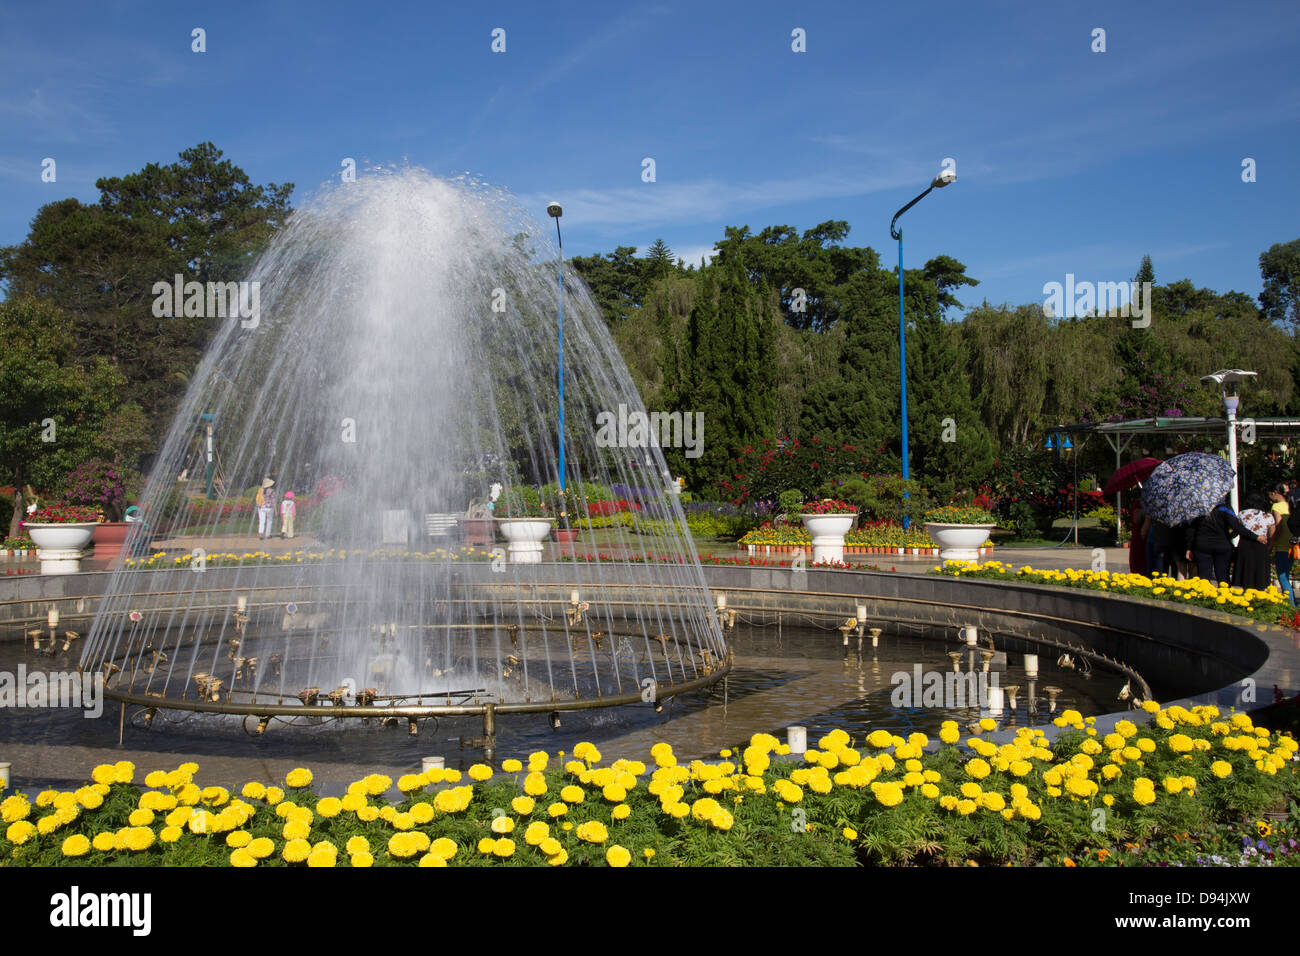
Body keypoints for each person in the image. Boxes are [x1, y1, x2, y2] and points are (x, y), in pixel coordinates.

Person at [1186, 495, 1266, 586]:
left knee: (1204, 577)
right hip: (1222, 545)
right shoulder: (1225, 508)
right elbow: (1237, 527)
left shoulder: (1197, 509)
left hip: (1202, 545)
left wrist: (1189, 548)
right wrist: (1256, 537)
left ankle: (1205, 597)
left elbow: (1191, 530)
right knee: (1223, 577)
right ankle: (1224, 597)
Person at [1232, 491, 1274, 591]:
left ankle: (1246, 595)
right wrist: (1270, 546)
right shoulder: (1268, 516)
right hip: (1261, 545)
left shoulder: (1242, 514)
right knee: (1260, 574)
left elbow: (1236, 531)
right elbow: (1271, 534)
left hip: (1245, 545)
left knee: (1246, 573)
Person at [1268, 482, 1295, 605]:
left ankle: (1291, 606)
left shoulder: (1276, 507)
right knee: (1287, 575)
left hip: (1282, 545)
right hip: (1293, 545)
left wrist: (1271, 544)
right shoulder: (1291, 505)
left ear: (1274, 493)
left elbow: (1278, 528)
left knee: (1282, 576)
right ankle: (1293, 602)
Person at [1129, 497, 1148, 574]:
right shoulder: (1139, 503)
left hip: (1151, 540)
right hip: (1139, 540)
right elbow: (1136, 519)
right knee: (1139, 571)